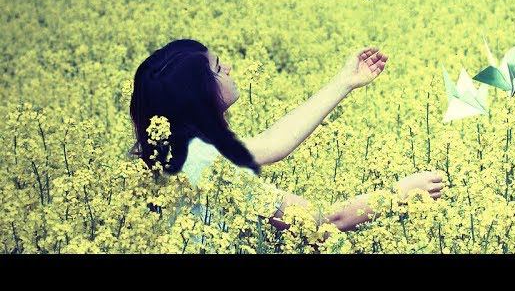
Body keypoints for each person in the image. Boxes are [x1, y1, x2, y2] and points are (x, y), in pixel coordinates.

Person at [129, 39, 444, 235]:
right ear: (196, 92)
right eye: (217, 67)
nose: (228, 67)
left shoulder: (176, 150)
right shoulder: (209, 165)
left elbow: (273, 144)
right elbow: (324, 220)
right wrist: (399, 194)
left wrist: (345, 81)